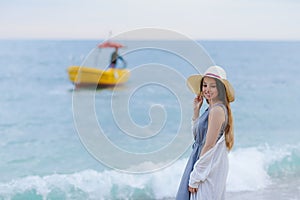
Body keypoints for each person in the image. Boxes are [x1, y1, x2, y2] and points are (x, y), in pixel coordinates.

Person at [176, 66, 235, 200]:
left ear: (220, 89)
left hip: (207, 165)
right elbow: (198, 138)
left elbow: (208, 145)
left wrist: (196, 176)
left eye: (212, 86)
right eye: (205, 85)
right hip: (200, 160)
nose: (207, 89)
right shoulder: (211, 109)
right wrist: (196, 111)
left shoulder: (217, 111)